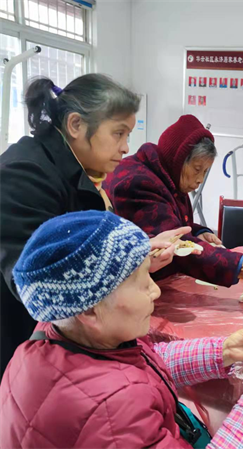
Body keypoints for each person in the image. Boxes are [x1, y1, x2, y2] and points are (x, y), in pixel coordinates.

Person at [0, 211, 243, 449]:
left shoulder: (56, 333)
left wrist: (224, 351)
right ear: (90, 308)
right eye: (142, 282)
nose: (155, 291)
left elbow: (139, 363)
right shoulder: (113, 412)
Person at [0, 74, 186, 376]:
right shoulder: (25, 175)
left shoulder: (80, 171)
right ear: (76, 125)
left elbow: (82, 251)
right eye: (118, 133)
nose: (127, 147)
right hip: (31, 344)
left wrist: (137, 255)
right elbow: (37, 286)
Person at [106, 114, 243, 286]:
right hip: (129, 286)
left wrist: (199, 232)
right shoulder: (139, 183)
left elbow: (173, 224)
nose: (200, 179)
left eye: (205, 172)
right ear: (177, 160)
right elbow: (174, 245)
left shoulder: (169, 176)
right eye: (197, 169)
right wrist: (238, 265)